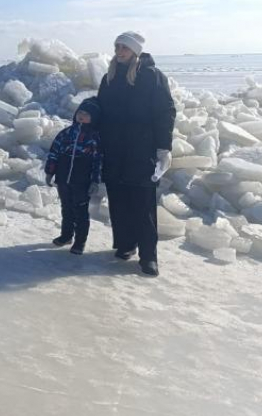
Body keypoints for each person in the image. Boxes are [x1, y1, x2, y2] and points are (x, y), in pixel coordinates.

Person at [97, 32, 176, 277]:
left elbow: (165, 112)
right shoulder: (109, 76)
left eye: (125, 48)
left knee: (142, 203)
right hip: (113, 149)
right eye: (117, 47)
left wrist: (164, 148)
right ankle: (126, 244)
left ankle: (148, 256)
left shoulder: (152, 77)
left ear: (135, 51)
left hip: (141, 150)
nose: (120, 51)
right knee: (118, 201)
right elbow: (100, 109)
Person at [44, 97, 102, 255]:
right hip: (63, 179)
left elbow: (97, 161)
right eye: (80, 112)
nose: (82, 116)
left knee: (81, 211)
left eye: (87, 114)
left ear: (94, 118)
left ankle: (80, 241)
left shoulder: (94, 139)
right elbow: (54, 153)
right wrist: (50, 171)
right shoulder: (66, 134)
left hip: (81, 181)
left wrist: (95, 181)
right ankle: (66, 235)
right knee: (66, 208)